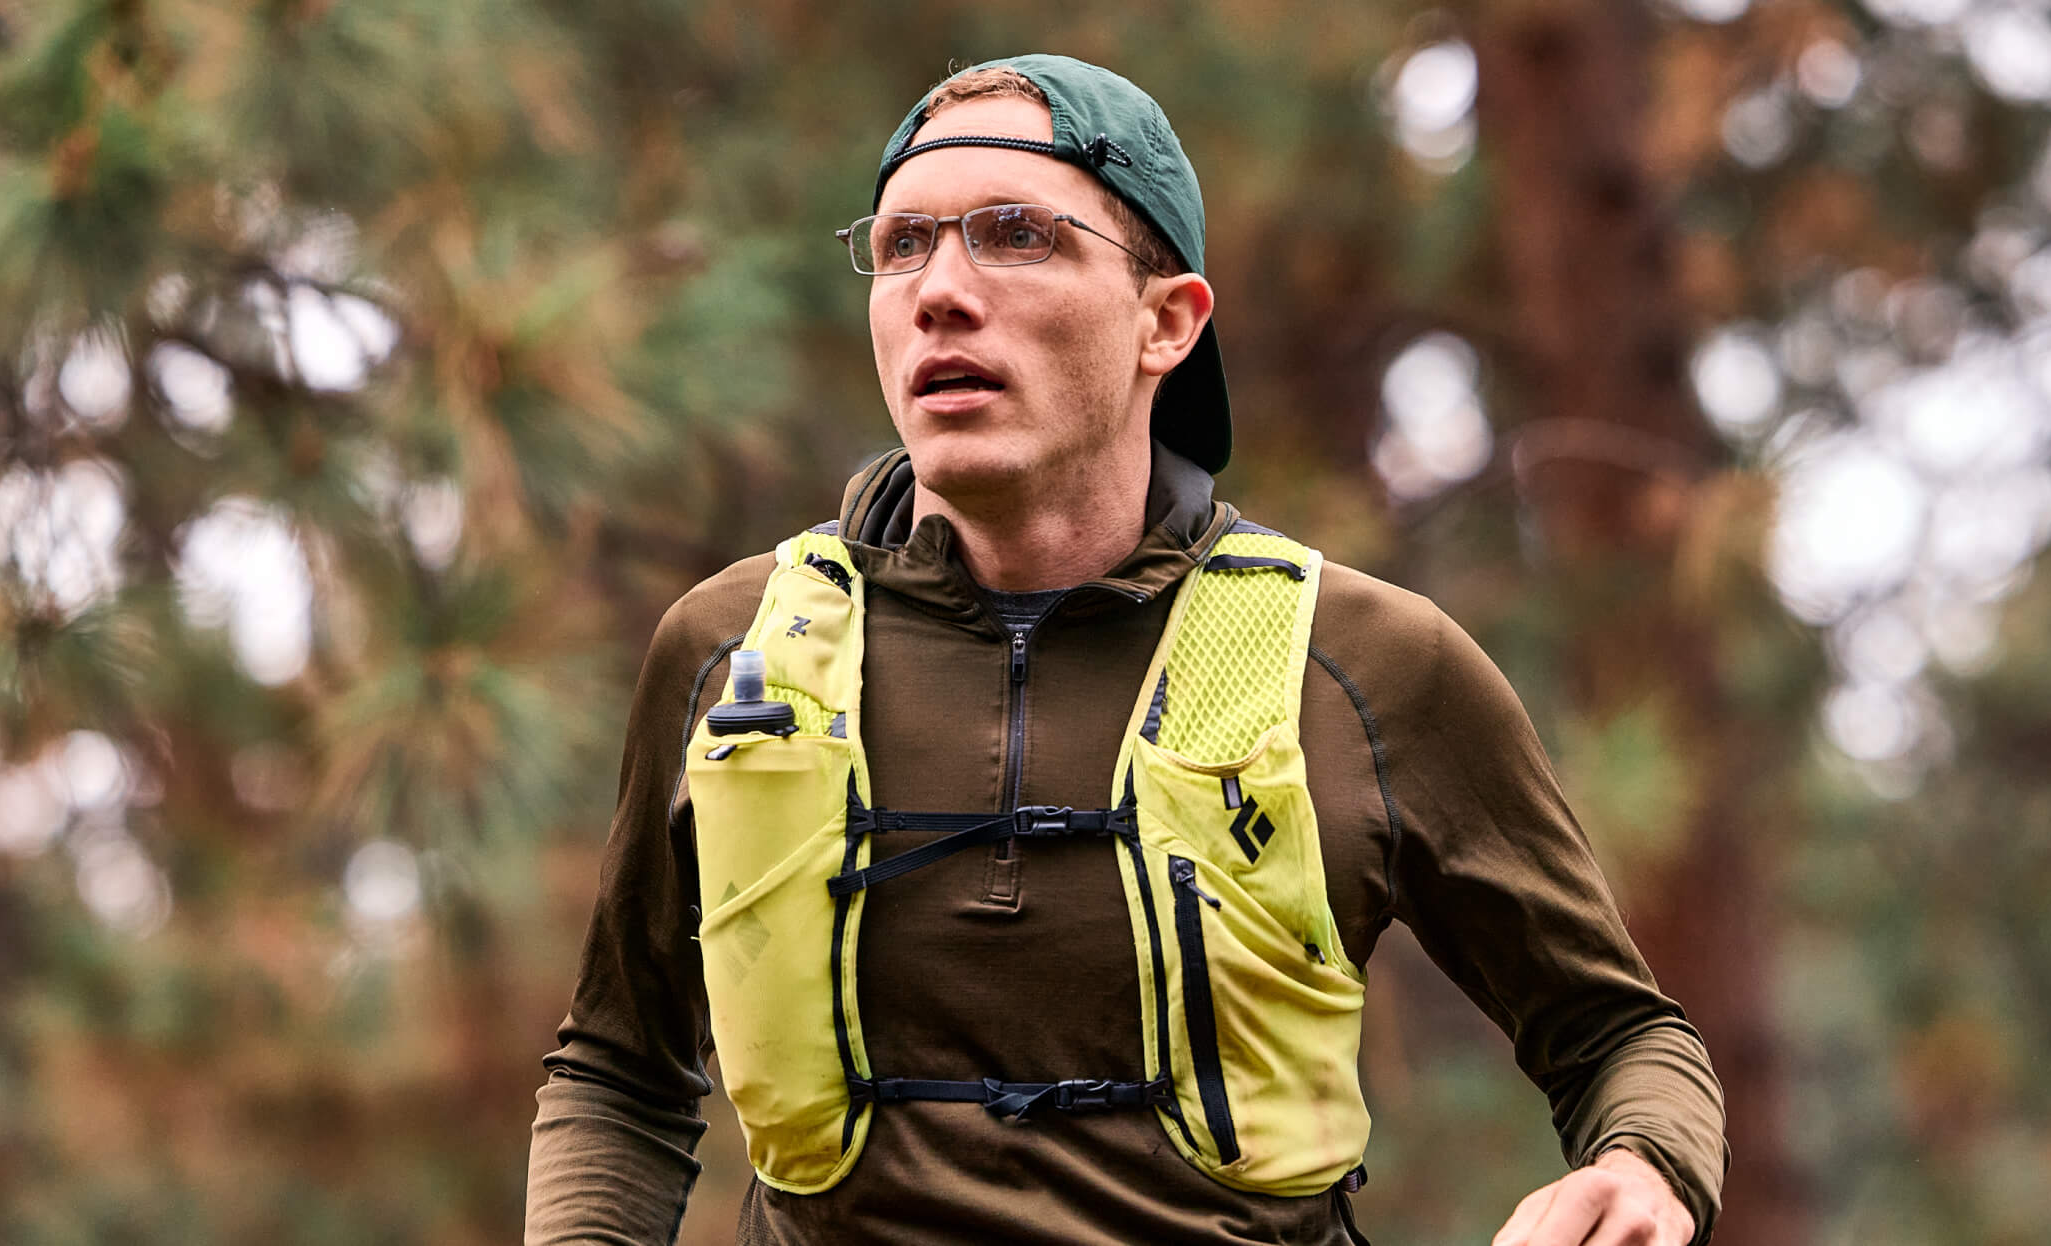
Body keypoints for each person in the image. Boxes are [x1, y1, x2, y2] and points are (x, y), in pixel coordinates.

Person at [525, 54, 1726, 1246]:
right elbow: (618, 1073)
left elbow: (1619, 1036)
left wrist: (1646, 1163)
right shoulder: (735, 653)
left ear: (1167, 321)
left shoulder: (1363, 662)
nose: (939, 290)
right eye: (901, 246)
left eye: (1014, 234)